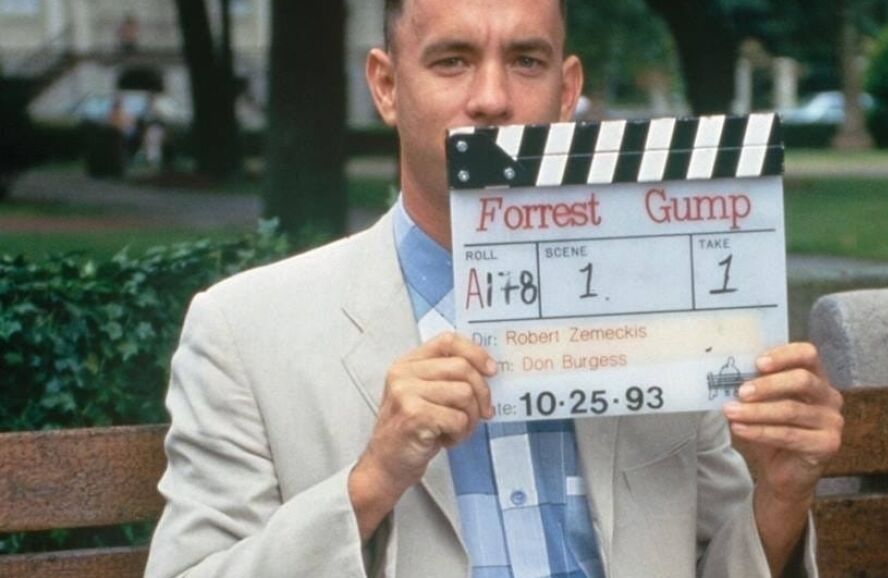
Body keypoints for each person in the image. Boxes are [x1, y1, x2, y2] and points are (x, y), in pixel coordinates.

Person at [144, 1, 843, 577]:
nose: (491, 100)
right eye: (451, 60)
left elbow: (718, 558)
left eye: (526, 61)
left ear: (566, 91)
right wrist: (371, 482)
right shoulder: (242, 330)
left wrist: (780, 497)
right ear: (386, 86)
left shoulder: (664, 311)